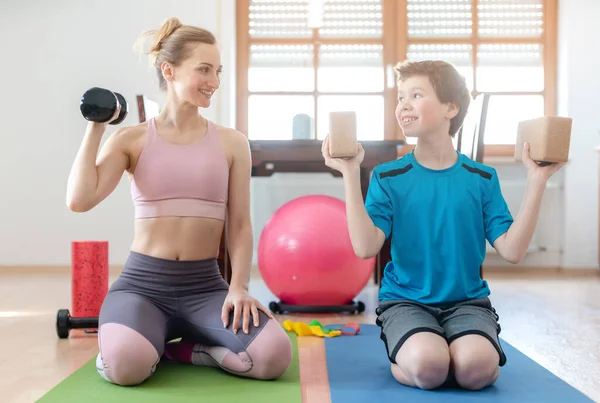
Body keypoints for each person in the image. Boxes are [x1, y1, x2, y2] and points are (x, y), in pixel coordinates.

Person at [66, 17, 292, 386]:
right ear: (169, 70)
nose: (215, 82)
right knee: (126, 369)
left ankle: (184, 350)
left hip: (206, 287)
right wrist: (97, 126)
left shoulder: (232, 142)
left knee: (272, 358)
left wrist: (239, 288)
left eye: (217, 71)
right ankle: (137, 345)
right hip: (142, 287)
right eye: (204, 70)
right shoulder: (131, 139)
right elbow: (79, 200)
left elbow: (238, 224)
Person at [321, 60, 565, 391]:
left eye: (416, 95)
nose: (403, 105)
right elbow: (365, 248)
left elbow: (512, 250)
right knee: (429, 367)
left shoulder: (481, 178)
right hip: (406, 302)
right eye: (400, 97)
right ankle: (415, 352)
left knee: (475, 371)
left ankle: (455, 351)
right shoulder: (388, 176)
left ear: (451, 107)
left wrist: (537, 180)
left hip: (467, 303)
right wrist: (350, 173)